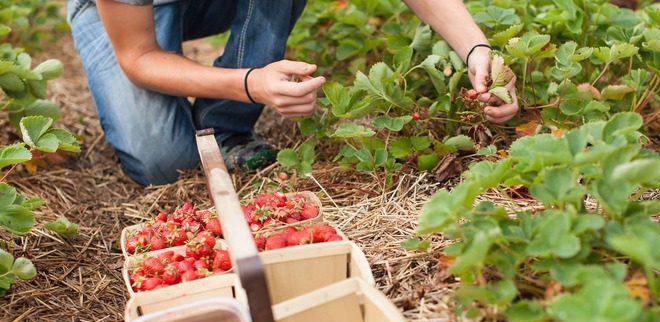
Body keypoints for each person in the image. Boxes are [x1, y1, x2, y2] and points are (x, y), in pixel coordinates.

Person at [66, 0, 519, 186]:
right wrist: (251, 83)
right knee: (163, 163)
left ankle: (223, 126)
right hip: (132, 13)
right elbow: (139, 55)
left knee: (182, 157)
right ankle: (228, 100)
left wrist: (476, 47)